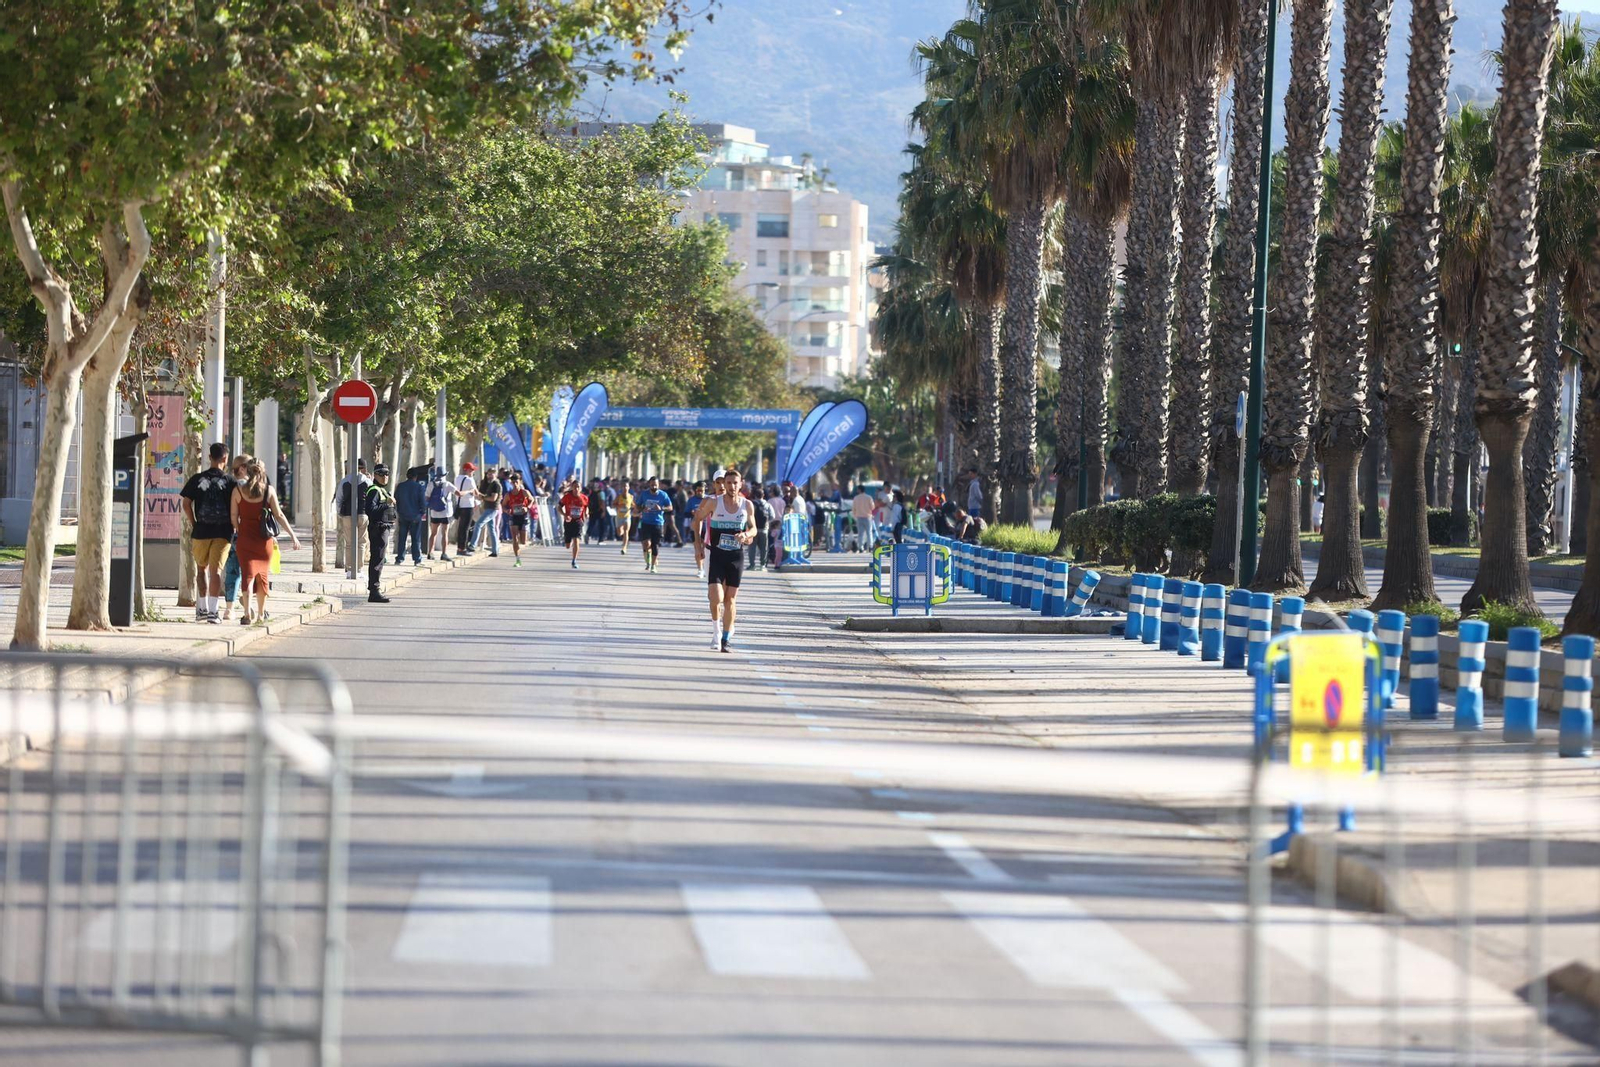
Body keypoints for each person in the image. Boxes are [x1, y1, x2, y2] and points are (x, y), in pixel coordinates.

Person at [231, 455, 300, 624]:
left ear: (247, 470)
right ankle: (261, 615)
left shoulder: (238, 491)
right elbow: (279, 515)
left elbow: (234, 516)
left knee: (247, 575)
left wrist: (241, 530)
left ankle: (247, 613)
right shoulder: (269, 491)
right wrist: (293, 536)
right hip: (264, 542)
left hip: (245, 540)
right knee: (262, 576)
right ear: (263, 471)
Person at [699, 468, 756, 652]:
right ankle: (716, 632)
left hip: (735, 557)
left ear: (741, 484)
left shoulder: (747, 505)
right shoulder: (714, 503)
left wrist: (746, 535)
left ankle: (725, 639)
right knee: (716, 597)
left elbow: (754, 529)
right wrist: (698, 545)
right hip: (716, 555)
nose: (731, 486)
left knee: (730, 600)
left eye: (735, 483)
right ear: (724, 484)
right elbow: (696, 520)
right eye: (728, 483)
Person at [180, 442, 234, 623]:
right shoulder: (230, 482)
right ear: (225, 459)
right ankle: (213, 612)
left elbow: (186, 504)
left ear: (209, 457)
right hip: (223, 532)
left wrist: (194, 523)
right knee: (216, 571)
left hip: (201, 531)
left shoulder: (196, 479)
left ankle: (201, 609)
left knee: (201, 570)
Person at [363, 464, 398, 602]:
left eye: (387, 474)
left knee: (380, 559)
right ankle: (374, 591)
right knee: (377, 559)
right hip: (378, 528)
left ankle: (375, 589)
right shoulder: (374, 490)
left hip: (384, 527)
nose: (385, 477)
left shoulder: (383, 490)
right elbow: (370, 510)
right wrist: (387, 503)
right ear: (375, 475)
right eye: (382, 474)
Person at [335, 458, 371, 570]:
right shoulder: (367, 481)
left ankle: (349, 567)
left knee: (349, 542)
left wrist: (339, 512)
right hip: (363, 513)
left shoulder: (345, 480)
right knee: (361, 542)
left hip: (347, 514)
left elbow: (339, 498)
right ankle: (359, 568)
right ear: (364, 468)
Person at [635, 475, 673, 573]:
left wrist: (661, 508)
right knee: (646, 544)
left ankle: (653, 566)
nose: (654, 486)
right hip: (646, 522)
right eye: (652, 485)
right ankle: (648, 562)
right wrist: (643, 509)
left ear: (658, 485)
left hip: (658, 523)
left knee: (655, 545)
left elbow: (670, 507)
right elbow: (637, 505)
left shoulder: (663, 495)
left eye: (655, 485)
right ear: (649, 485)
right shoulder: (644, 494)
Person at [394, 466, 427, 566]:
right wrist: (422, 513)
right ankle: (417, 559)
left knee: (402, 538)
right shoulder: (419, 487)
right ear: (415, 477)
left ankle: (399, 558)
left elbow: (396, 500)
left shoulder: (400, 486)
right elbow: (422, 502)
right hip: (415, 516)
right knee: (416, 538)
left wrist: (398, 512)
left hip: (403, 515)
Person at [502, 473, 535, 567]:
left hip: (523, 516)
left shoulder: (524, 492)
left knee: (523, 541)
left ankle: (520, 547)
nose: (515, 484)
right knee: (514, 538)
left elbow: (532, 500)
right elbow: (503, 504)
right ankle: (517, 559)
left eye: (516, 482)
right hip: (513, 516)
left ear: (520, 482)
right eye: (513, 482)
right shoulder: (508, 495)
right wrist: (506, 510)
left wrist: (527, 507)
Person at [425, 467, 456, 560]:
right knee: (444, 533)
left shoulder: (431, 484)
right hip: (446, 513)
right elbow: (458, 493)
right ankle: (444, 554)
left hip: (434, 513)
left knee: (433, 533)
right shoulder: (447, 484)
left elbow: (426, 498)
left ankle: (430, 553)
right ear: (445, 475)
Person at [559, 478, 589, 569]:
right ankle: (568, 541)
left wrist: (586, 513)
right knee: (568, 545)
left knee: (576, 540)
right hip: (568, 521)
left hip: (578, 521)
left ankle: (574, 560)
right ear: (572, 487)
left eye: (578, 487)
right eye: (575, 487)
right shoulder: (567, 497)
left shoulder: (584, 498)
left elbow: (586, 507)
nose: (576, 489)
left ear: (580, 488)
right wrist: (564, 515)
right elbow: (558, 507)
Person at [472, 469, 502, 558]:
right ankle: (495, 550)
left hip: (492, 509)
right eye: (489, 474)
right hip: (487, 508)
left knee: (478, 524)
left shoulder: (496, 485)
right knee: (491, 529)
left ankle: (472, 545)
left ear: (495, 474)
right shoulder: (490, 484)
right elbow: (484, 497)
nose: (490, 475)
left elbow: (493, 498)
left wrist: (483, 497)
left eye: (492, 474)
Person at [453, 461, 479, 555]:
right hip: (468, 506)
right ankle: (463, 548)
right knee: (466, 528)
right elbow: (476, 493)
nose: (473, 472)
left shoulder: (457, 478)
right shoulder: (470, 480)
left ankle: (460, 547)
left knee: (461, 527)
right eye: (472, 470)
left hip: (459, 505)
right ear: (467, 470)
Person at [851, 484, 877, 550]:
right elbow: (872, 507)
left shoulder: (856, 498)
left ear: (859, 490)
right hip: (868, 517)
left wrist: (855, 515)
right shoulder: (869, 497)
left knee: (860, 533)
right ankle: (870, 546)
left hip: (859, 517)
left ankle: (860, 547)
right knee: (869, 532)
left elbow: (853, 508)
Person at [614, 479, 635, 555]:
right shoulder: (619, 496)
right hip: (619, 516)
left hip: (627, 516)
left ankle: (624, 547)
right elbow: (613, 504)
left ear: (628, 487)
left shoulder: (631, 496)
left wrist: (633, 508)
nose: (625, 488)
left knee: (626, 532)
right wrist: (619, 505)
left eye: (626, 486)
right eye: (623, 486)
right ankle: (623, 538)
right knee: (619, 533)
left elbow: (633, 505)